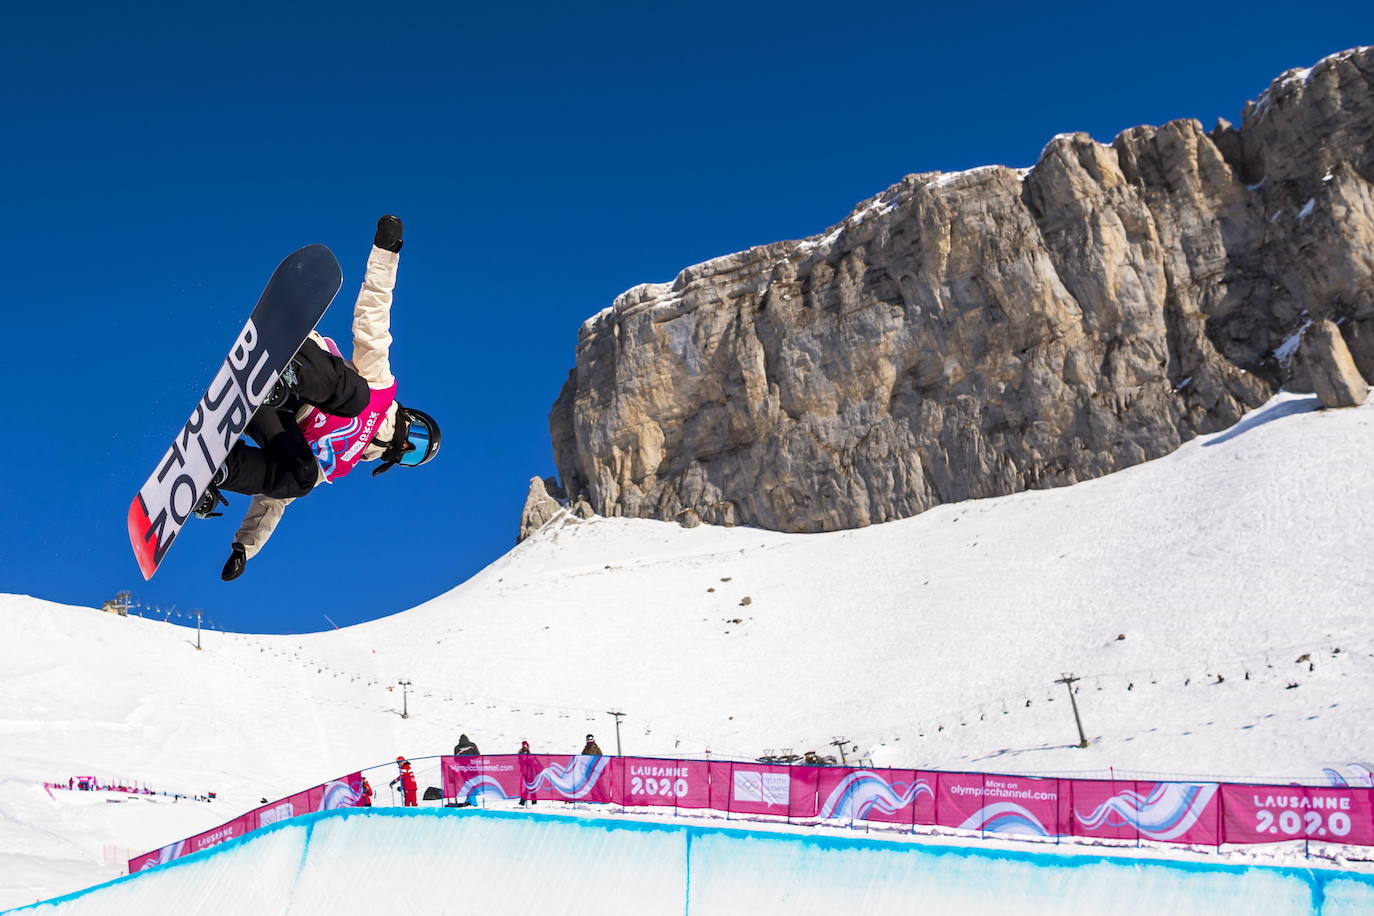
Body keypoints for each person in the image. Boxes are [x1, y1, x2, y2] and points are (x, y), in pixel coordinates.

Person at [198, 215, 443, 580]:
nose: (409, 447)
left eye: (416, 456)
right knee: (358, 397)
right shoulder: (381, 391)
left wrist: (244, 547)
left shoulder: (337, 465)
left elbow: (274, 499)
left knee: (300, 479)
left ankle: (218, 468)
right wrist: (386, 253)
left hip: (271, 414)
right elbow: (373, 320)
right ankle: (288, 375)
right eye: (420, 439)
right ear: (413, 419)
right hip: (302, 364)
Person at [518, 740, 538, 807]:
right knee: (529, 787)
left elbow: (531, 762)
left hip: (530, 772)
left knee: (531, 787)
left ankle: (531, 801)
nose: (526, 747)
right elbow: (522, 761)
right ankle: (524, 801)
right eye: (524, 745)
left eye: (526, 745)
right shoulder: (521, 753)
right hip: (526, 772)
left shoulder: (528, 752)